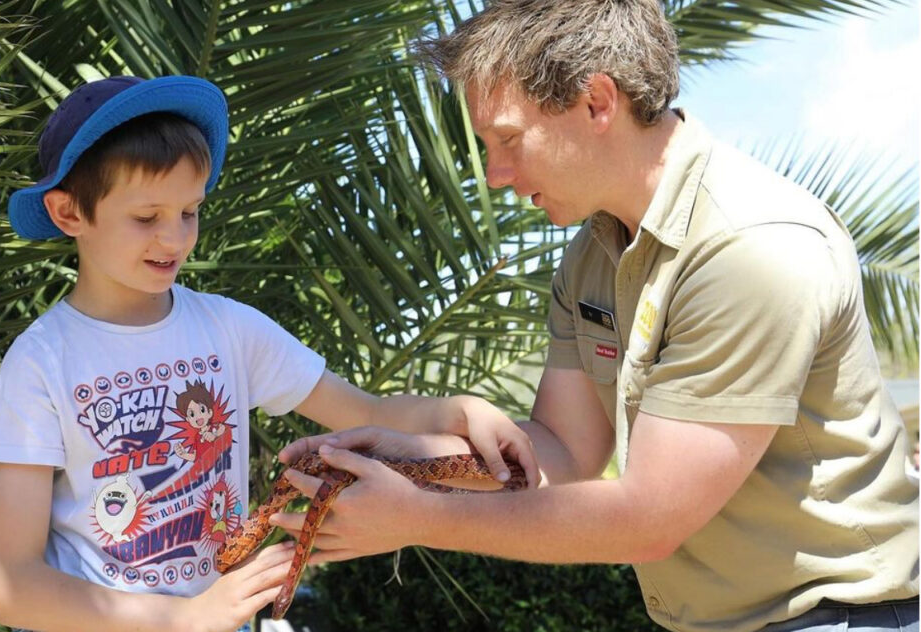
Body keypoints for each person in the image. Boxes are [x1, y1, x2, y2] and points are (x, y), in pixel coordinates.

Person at [270, 2, 920, 631]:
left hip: (842, 617)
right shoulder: (594, 254)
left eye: (507, 140)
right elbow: (562, 450)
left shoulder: (751, 248)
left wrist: (417, 517)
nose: (494, 173)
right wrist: (415, 462)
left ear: (597, 102)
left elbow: (649, 519)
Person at [0, 75, 538, 632]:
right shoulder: (40, 363)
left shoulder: (230, 329)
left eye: (190, 212)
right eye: (146, 217)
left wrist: (458, 411)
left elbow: (372, 413)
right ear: (69, 213)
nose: (174, 239)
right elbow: (12, 584)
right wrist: (186, 618)